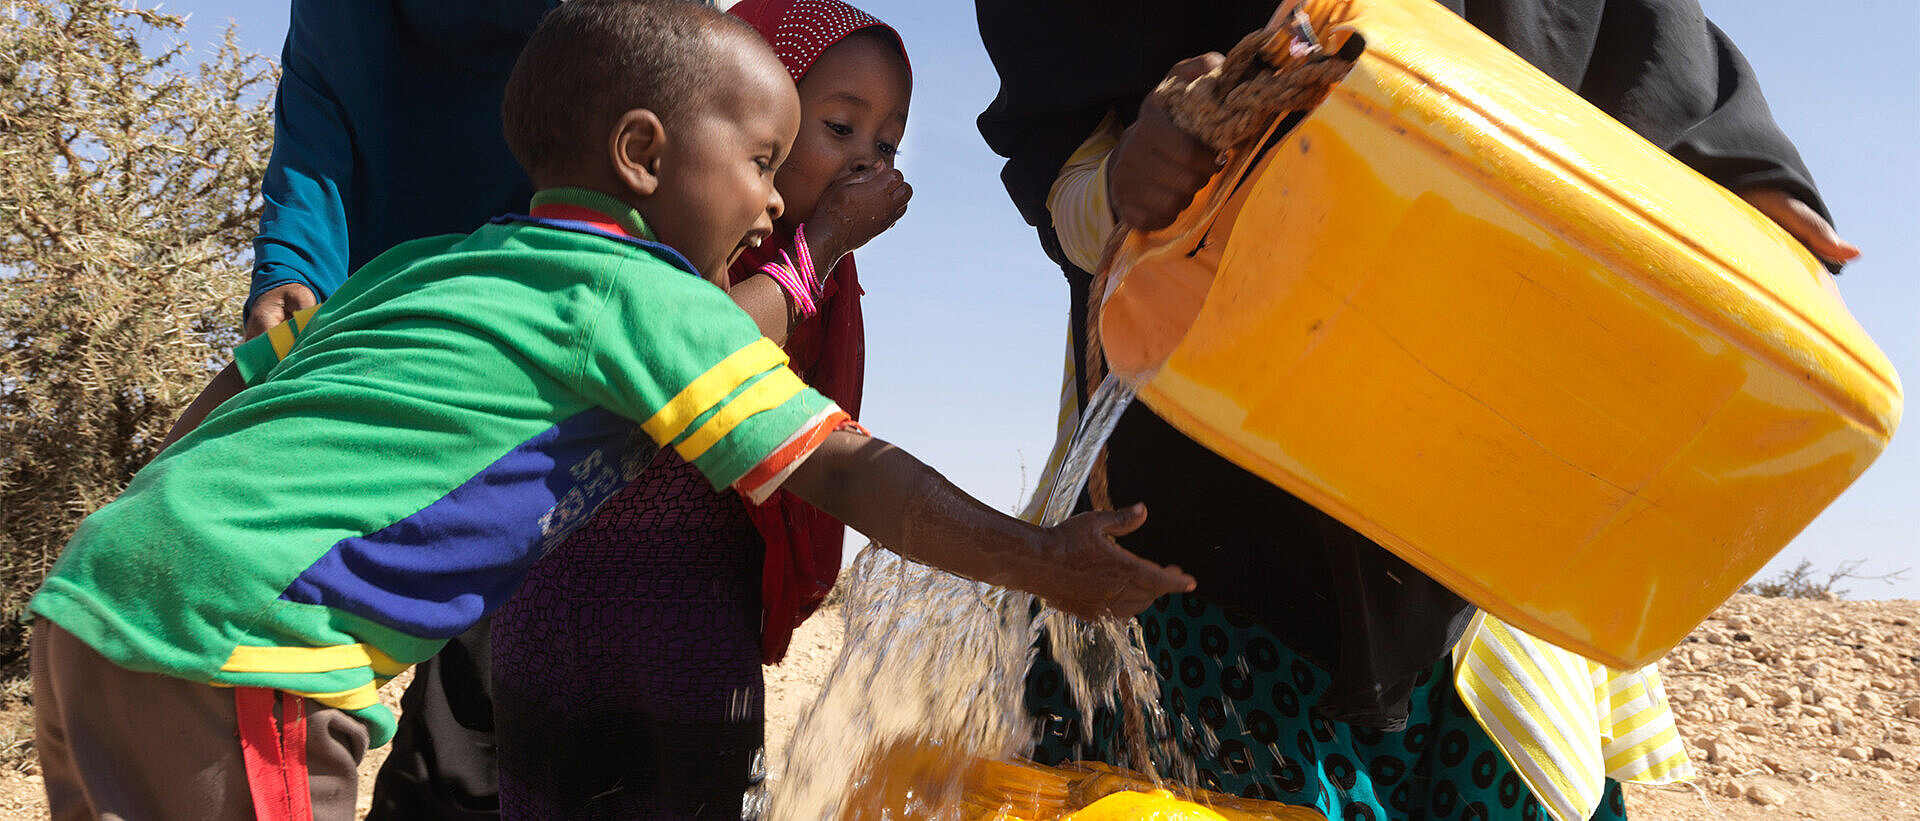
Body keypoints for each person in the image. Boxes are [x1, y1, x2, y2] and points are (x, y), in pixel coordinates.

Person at [27, 3, 1197, 818]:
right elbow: (845, 468)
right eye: (759, 157)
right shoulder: (640, 294)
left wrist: (135, 519)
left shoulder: (429, 260)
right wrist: (1040, 556)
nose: (763, 202)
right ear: (643, 154)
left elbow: (261, 361)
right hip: (241, 655)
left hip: (91, 598)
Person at [975, 1, 1855, 818]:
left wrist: (1734, 177)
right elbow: (1063, 129)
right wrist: (1121, 177)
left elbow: (1642, 49)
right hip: (1210, 490)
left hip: (1495, 449)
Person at [487, 0, 915, 816]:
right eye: (837, 127)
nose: (865, 162)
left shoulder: (821, 283)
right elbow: (700, 356)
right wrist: (817, 246)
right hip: (565, 601)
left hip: (698, 607)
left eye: (886, 144)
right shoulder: (662, 237)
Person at [245, 2, 561, 816]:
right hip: (372, 351)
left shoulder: (605, 26)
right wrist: (292, 274)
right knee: (302, 664)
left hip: (527, 357)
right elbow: (315, 136)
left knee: (484, 699)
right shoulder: (343, 17)